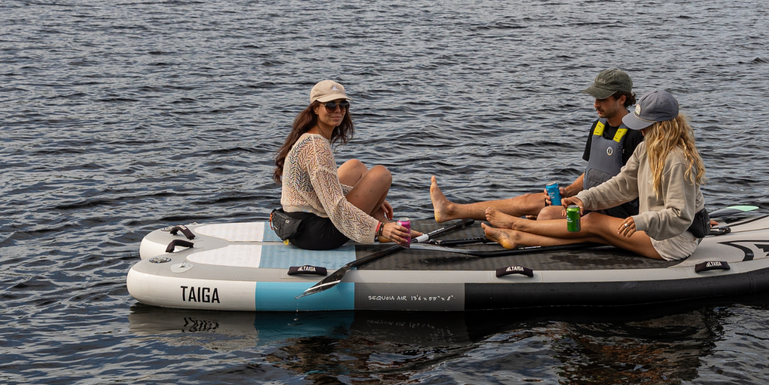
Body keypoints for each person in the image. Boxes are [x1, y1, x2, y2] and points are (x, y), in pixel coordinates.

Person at [482, 90, 706, 261]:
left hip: (674, 241)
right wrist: (584, 198)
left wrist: (640, 221)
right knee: (590, 234)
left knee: (593, 222)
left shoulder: (677, 160)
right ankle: (516, 238)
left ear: (663, 126)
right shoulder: (647, 148)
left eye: (645, 125)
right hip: (655, 230)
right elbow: (621, 185)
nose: (640, 130)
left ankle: (516, 226)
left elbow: (680, 216)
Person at [429, 68, 644, 223]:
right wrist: (567, 190)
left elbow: (634, 185)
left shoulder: (636, 134)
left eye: (602, 99)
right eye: (594, 97)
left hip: (609, 210)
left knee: (545, 214)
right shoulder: (598, 126)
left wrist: (583, 200)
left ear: (622, 99)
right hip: (583, 200)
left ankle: (514, 226)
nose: (595, 104)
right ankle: (451, 210)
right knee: (529, 200)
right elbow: (593, 171)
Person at [271, 80, 412, 250]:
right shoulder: (317, 148)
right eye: (330, 105)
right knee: (381, 174)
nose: (338, 110)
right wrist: (378, 228)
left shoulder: (309, 138)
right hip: (316, 234)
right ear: (316, 108)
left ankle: (386, 224)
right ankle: (386, 229)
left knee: (355, 166)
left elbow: (324, 189)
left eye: (343, 104)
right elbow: (335, 206)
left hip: (297, 226)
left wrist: (373, 195)